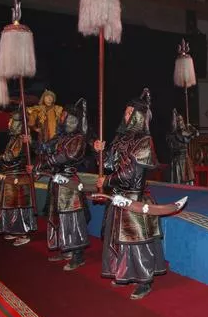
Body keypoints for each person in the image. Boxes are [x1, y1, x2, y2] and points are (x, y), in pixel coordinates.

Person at [94, 89, 166, 300]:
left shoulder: (144, 141)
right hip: (118, 196)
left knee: (136, 242)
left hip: (134, 198)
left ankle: (144, 281)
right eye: (125, 113)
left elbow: (131, 172)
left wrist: (107, 181)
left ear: (138, 116)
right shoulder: (120, 139)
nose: (125, 117)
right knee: (120, 241)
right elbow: (109, 165)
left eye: (129, 113)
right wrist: (100, 153)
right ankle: (125, 273)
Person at [34, 98, 90, 270]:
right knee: (59, 218)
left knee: (72, 219)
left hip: (69, 184)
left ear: (72, 119)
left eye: (64, 115)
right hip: (57, 182)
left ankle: (78, 255)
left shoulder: (78, 138)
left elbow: (67, 156)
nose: (61, 117)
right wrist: (34, 142)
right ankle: (66, 249)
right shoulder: (61, 137)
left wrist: (47, 162)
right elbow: (45, 148)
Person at [0, 111, 37, 246]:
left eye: (11, 121)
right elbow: (7, 158)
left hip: (19, 177)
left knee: (19, 206)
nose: (8, 123)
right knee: (11, 205)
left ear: (17, 124)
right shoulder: (13, 138)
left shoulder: (21, 139)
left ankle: (23, 233)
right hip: (11, 175)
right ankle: (13, 230)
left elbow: (11, 157)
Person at [167, 108, 199, 185]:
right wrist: (174, 115)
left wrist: (191, 127)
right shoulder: (172, 134)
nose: (180, 122)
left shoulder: (185, 132)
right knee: (177, 180)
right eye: (178, 120)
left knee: (187, 180)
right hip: (177, 160)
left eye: (181, 120)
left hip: (185, 159)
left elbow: (197, 134)